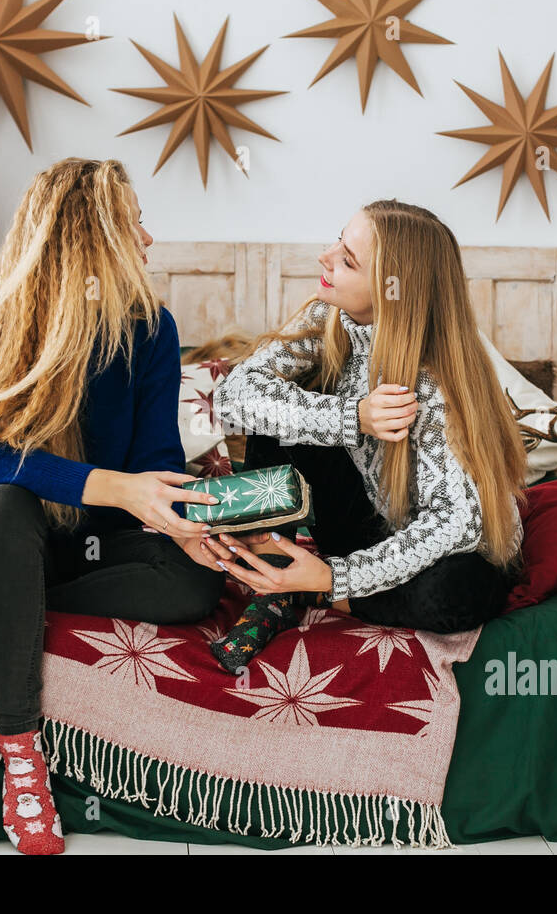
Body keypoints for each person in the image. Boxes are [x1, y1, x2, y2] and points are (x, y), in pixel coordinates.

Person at [0, 158, 225, 854]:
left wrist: (181, 523)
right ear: (89, 237)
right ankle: (20, 752)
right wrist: (118, 488)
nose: (148, 240)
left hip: (86, 546)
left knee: (195, 583)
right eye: (134, 223)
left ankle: (15, 600)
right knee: (6, 505)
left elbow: (156, 456)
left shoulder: (150, 327)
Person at [206, 199, 527, 672]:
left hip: (448, 544)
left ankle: (306, 590)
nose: (325, 256)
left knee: (457, 595)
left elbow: (456, 524)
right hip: (365, 518)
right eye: (339, 240)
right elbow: (233, 397)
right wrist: (353, 416)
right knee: (277, 412)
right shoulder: (327, 318)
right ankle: (273, 582)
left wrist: (334, 577)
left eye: (348, 260)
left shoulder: (435, 376)